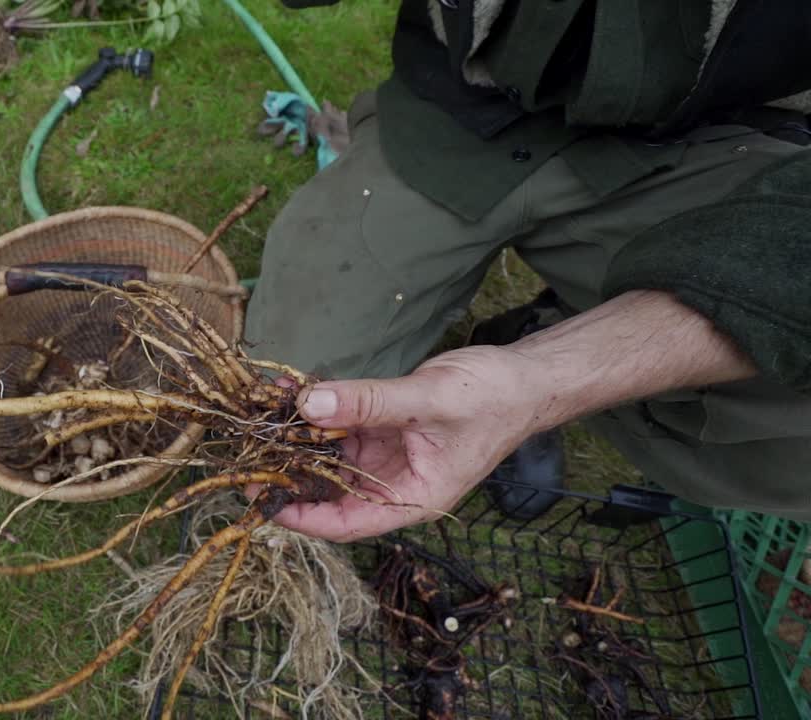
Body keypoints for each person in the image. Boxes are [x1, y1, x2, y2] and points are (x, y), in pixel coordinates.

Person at [243, 0, 811, 541]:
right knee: (286, 396)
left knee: (793, 439)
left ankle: (537, 339)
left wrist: (543, 380)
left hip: (708, 147)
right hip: (458, 116)